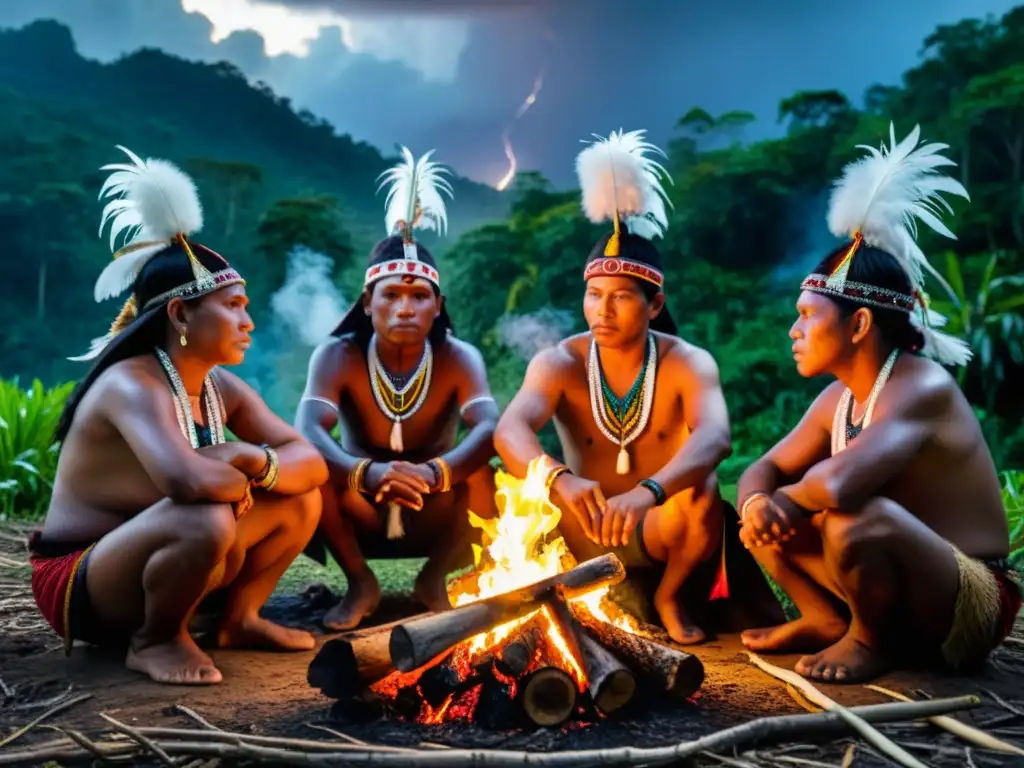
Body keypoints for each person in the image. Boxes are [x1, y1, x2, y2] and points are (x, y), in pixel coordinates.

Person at [29, 146, 329, 686]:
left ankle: (240, 619)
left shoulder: (220, 388)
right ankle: (155, 640)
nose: (248, 322)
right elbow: (187, 481)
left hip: (156, 558)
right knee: (207, 514)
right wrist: (245, 472)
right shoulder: (132, 383)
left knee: (300, 497)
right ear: (180, 313)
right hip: (82, 581)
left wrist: (243, 457)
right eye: (233, 306)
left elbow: (310, 462)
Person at [737, 123, 1021, 683]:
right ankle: (824, 619)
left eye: (807, 317)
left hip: (971, 602)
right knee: (762, 510)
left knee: (850, 516)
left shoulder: (923, 387)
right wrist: (756, 505)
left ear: (860, 323)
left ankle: (870, 640)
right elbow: (762, 468)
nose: (793, 331)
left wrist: (785, 502)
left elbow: (841, 486)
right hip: (914, 591)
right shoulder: (837, 399)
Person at [494, 130, 784, 644]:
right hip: (580, 525)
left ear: (653, 305)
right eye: (593, 295)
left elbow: (715, 438)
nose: (602, 310)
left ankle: (671, 597)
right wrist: (561, 480)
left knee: (704, 492)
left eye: (621, 297)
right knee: (510, 481)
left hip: (657, 526)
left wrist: (649, 492)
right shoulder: (559, 361)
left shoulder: (687, 362)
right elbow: (511, 429)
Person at [296, 146, 499, 631]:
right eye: (391, 295)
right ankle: (361, 583)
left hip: (436, 510)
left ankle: (434, 578)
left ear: (437, 304)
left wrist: (435, 474)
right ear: (368, 302)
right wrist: (363, 472)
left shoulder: (459, 357)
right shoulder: (337, 355)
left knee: (485, 476)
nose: (404, 308)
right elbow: (308, 427)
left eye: (418, 296)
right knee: (311, 471)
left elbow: (489, 425)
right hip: (359, 509)